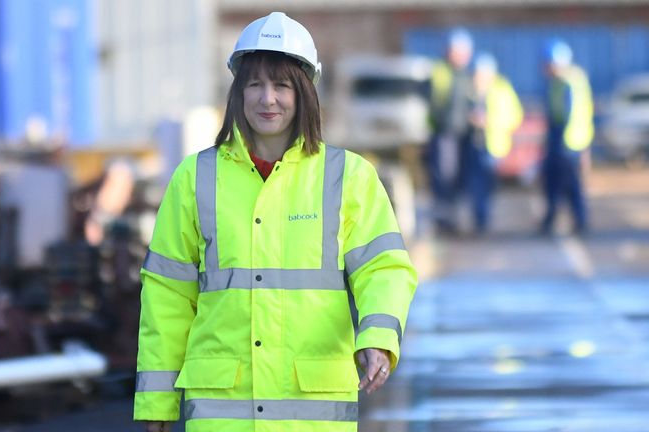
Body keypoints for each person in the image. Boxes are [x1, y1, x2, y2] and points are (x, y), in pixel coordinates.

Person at [132, 11, 417, 432]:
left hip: (314, 417)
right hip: (221, 416)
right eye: (255, 84)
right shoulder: (195, 178)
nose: (268, 99)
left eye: (282, 85)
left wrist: (377, 338)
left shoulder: (348, 176)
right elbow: (167, 298)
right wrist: (156, 407)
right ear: (238, 92)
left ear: (304, 92)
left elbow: (384, 270)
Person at [539, 39, 594, 235]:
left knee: (571, 184)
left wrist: (571, 142)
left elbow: (573, 114)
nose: (544, 68)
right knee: (551, 181)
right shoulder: (556, 82)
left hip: (569, 141)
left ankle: (580, 220)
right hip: (559, 137)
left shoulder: (569, 81)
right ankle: (551, 219)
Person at [468, 52, 524, 234]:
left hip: (493, 145)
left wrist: (489, 121)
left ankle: (482, 219)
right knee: (476, 185)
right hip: (475, 144)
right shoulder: (472, 90)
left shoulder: (502, 90)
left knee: (486, 183)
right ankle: (480, 219)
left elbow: (515, 117)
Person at [426, 28, 475, 235]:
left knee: (458, 179)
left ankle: (454, 219)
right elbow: (435, 105)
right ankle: (444, 222)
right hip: (445, 135)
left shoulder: (467, 75)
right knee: (444, 177)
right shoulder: (441, 72)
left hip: (463, 136)